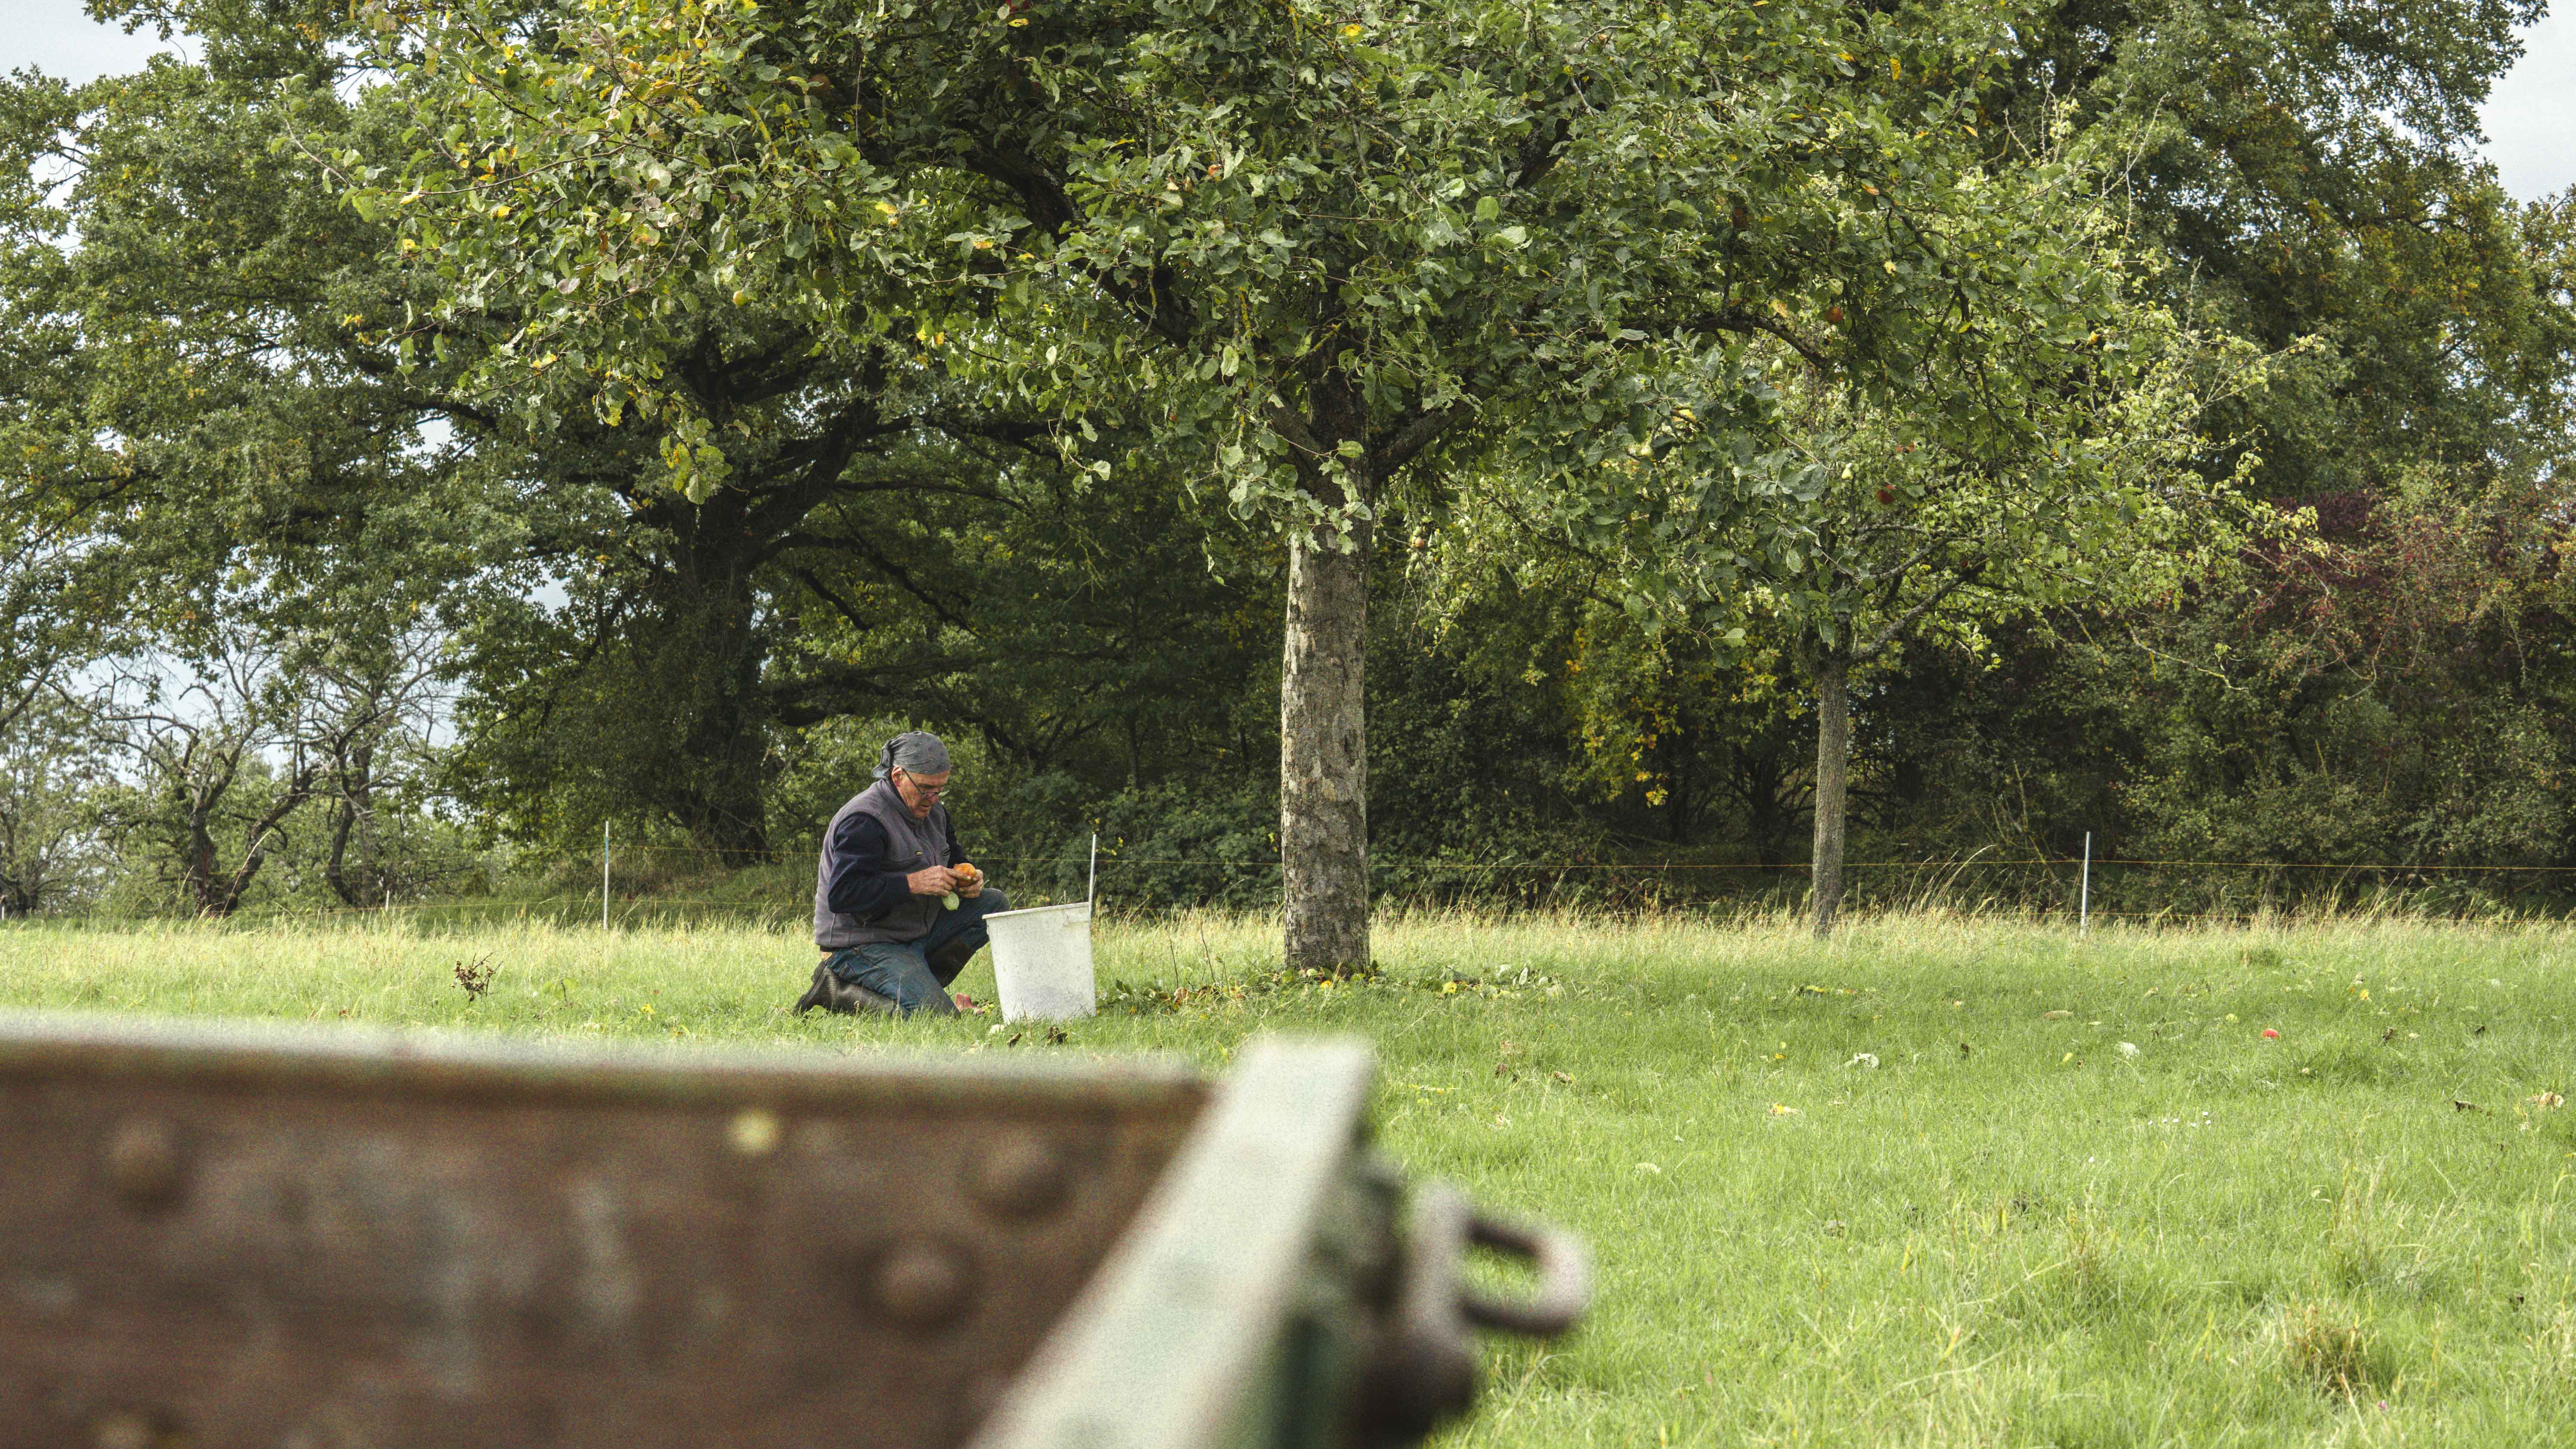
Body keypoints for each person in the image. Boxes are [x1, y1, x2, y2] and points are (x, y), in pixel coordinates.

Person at [796, 731, 1011, 1016]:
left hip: (912, 936)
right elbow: (843, 895)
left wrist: (967, 878)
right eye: (926, 788)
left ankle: (918, 984)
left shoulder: (936, 813)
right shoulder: (864, 820)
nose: (933, 799)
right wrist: (913, 883)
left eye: (940, 789)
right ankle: (837, 992)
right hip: (862, 944)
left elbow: (955, 858)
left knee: (993, 904)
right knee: (937, 1018)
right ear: (898, 776)